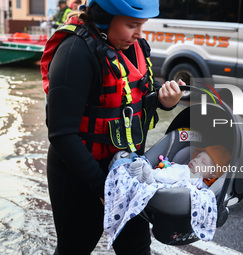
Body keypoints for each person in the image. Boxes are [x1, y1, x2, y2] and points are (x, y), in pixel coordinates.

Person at [40, 0, 184, 254]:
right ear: (105, 17)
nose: (139, 33)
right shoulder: (75, 53)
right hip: (79, 175)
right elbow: (61, 133)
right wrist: (102, 186)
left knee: (137, 247)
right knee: (75, 248)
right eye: (132, 25)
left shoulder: (134, 45)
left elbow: (136, 96)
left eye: (142, 25)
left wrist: (163, 100)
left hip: (127, 170)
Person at [121, 145, 231, 188]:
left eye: (203, 163)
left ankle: (145, 175)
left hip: (160, 181)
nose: (196, 160)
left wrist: (154, 173)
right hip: (166, 174)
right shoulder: (186, 169)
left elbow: (170, 177)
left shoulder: (196, 178)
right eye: (198, 156)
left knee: (165, 176)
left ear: (212, 175)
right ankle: (143, 172)